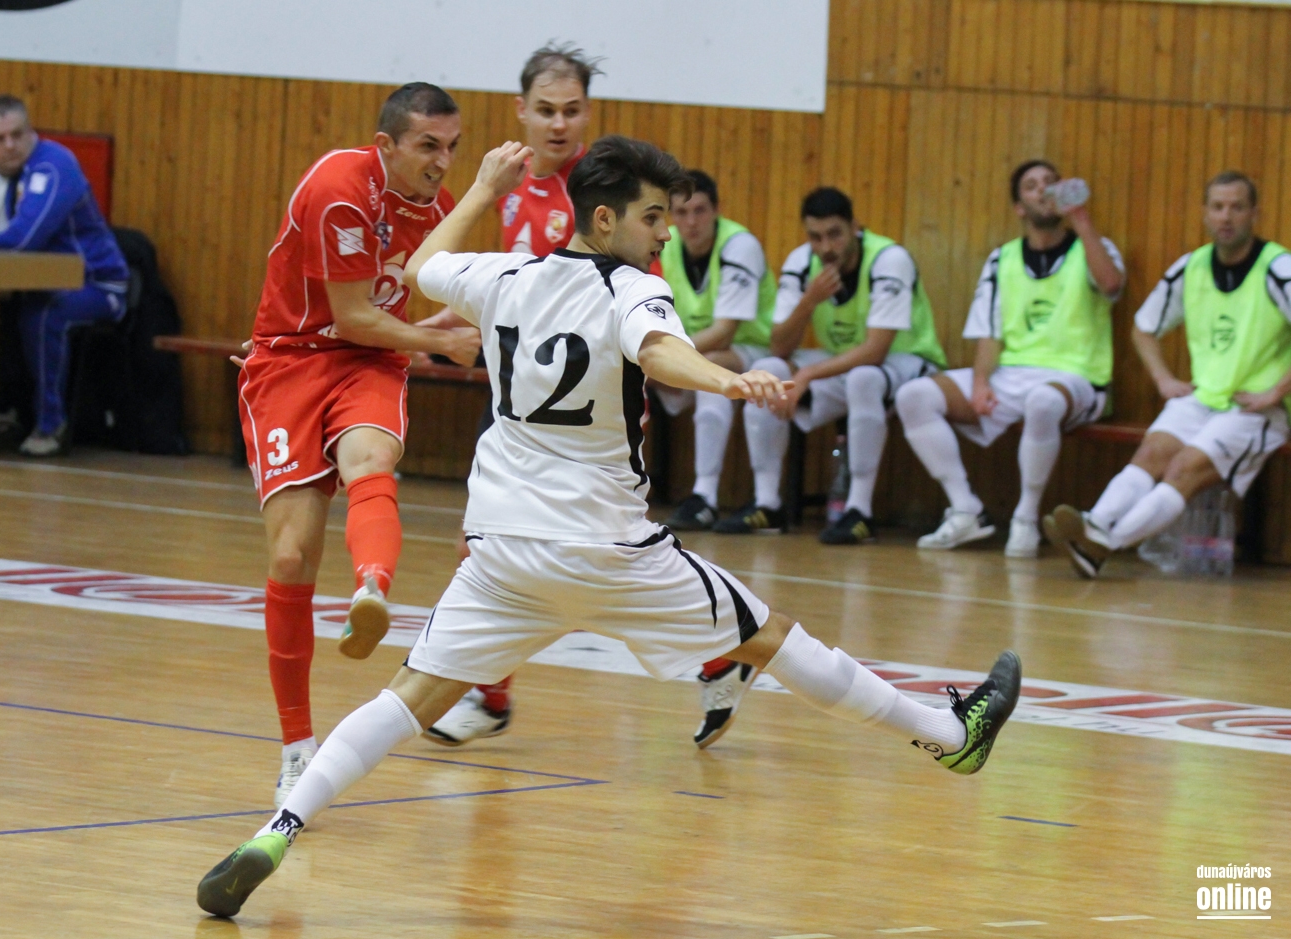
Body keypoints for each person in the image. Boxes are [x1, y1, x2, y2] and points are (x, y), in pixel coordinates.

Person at [195, 136, 1022, 918]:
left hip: (502, 554)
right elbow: (659, 353)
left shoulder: (503, 274)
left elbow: (420, 266)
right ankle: (948, 733)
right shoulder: (634, 289)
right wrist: (730, 383)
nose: (664, 233)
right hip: (610, 551)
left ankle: (280, 826)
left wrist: (480, 189)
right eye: (653, 217)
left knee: (405, 699)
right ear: (603, 218)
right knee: (773, 638)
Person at [234, 83, 481, 808]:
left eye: (452, 147)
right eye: (428, 146)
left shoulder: (435, 209)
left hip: (369, 362)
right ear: (387, 146)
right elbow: (350, 317)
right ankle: (296, 748)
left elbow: (394, 314)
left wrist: (439, 330)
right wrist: (439, 342)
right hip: (289, 361)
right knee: (290, 557)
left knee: (372, 459)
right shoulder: (341, 188)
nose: (442, 162)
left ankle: (373, 586)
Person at [424, 42, 601, 748]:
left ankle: (724, 653)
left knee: (600, 561)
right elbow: (512, 285)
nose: (559, 124)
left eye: (572, 111)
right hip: (519, 402)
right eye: (546, 110)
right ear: (521, 111)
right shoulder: (516, 183)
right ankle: (490, 697)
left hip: (581, 408)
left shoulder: (601, 190)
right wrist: (442, 322)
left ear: (588, 114)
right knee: (489, 545)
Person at [1045, 171, 1291, 578]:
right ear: (1204, 213)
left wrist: (1275, 392)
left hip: (1255, 411)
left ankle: (1103, 542)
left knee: (1181, 470)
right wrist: (1163, 380)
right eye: (1218, 207)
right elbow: (1144, 328)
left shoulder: (1278, 267)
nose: (1226, 216)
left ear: (1255, 214)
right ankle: (1095, 527)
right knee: (1151, 454)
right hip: (1204, 397)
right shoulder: (1191, 267)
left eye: (1236, 207)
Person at [894, 160, 1125, 557]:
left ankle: (1026, 519)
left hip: (1076, 377)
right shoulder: (1003, 259)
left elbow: (1111, 284)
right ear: (1019, 207)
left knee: (1043, 402)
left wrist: (1082, 220)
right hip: (1013, 373)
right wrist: (981, 381)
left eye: (1051, 182)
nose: (1044, 190)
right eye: (1032, 186)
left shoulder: (1092, 246)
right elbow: (989, 331)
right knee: (913, 396)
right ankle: (965, 510)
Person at [0, 94, 129, 457]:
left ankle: (51, 425)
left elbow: (25, 238)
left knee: (43, 314)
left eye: (18, 134)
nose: (10, 145)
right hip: (21, 285)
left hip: (96, 285)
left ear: (31, 131)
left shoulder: (56, 165)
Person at [747, 187, 948, 545]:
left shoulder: (889, 259)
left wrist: (807, 374)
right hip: (845, 363)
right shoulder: (802, 262)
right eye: (815, 237)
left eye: (835, 234)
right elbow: (779, 346)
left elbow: (876, 350)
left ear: (855, 227)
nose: (826, 247)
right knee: (766, 370)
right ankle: (767, 504)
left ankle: (859, 510)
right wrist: (808, 302)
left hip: (909, 363)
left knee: (864, 378)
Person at [658, 170, 778, 535]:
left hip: (753, 349)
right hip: (692, 348)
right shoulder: (665, 244)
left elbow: (726, 332)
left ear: (717, 210)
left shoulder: (740, 245)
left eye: (700, 210)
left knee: (709, 371)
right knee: (626, 372)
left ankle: (705, 495)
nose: (691, 222)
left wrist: (671, 356)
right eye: (681, 212)